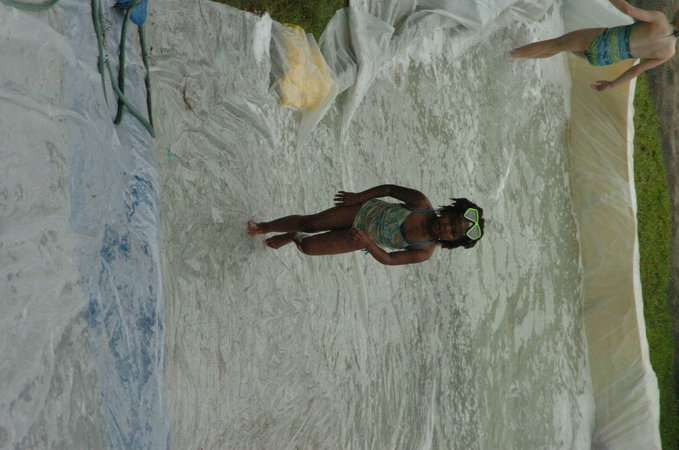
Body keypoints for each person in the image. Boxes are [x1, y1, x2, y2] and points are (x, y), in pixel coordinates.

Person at [247, 184, 484, 266]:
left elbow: (390, 259)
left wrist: (368, 243)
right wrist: (358, 197)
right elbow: (389, 189)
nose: (447, 227)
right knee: (310, 222)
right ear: (448, 211)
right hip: (362, 211)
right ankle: (263, 226)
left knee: (308, 247)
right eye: (451, 220)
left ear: (453, 241)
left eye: (453, 232)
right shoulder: (420, 203)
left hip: (360, 239)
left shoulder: (424, 250)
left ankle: (291, 236)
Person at [510, 0, 678, 91]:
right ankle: (517, 58)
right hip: (603, 59)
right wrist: (611, 84)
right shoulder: (668, 52)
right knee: (559, 48)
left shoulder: (660, 20)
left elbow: (629, 11)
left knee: (554, 45)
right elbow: (636, 70)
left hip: (600, 40)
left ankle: (511, 55)